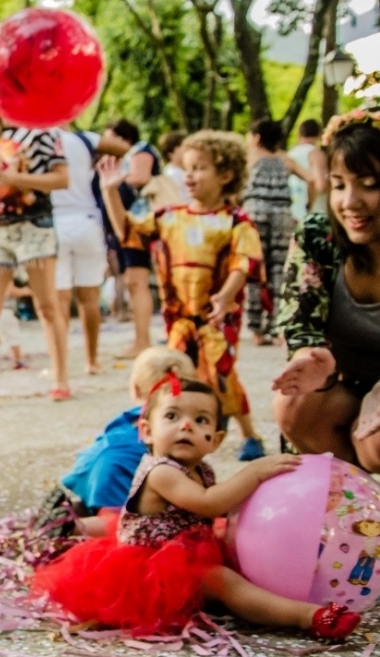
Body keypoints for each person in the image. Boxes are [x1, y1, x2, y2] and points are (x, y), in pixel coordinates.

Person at [33, 377, 362, 641]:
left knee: (128, 522)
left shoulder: (199, 468)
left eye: (200, 419)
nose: (186, 425)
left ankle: (72, 525)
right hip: (153, 567)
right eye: (172, 416)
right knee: (224, 582)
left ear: (215, 440)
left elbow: (215, 508)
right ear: (146, 431)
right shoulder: (162, 472)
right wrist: (255, 472)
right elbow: (210, 502)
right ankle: (308, 616)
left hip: (182, 541)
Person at [99, 131, 268, 462]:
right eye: (187, 168)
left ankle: (250, 434)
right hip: (179, 318)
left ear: (226, 175)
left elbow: (245, 261)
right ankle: (165, 435)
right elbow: (129, 232)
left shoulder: (235, 221)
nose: (189, 176)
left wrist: (225, 296)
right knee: (172, 376)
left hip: (217, 318)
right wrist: (110, 192)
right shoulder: (169, 217)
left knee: (220, 375)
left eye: (200, 168)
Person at [272, 111, 380, 473]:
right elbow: (299, 320)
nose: (350, 202)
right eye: (338, 185)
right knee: (294, 405)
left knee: (377, 441)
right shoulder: (318, 236)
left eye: (369, 184)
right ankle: (357, 502)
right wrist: (310, 356)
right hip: (341, 387)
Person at [0, 120, 71, 407]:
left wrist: (17, 179)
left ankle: (60, 379)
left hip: (35, 225)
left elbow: (61, 179)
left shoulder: (45, 133)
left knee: (46, 305)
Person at [35, 346, 197, 538]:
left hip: (93, 469)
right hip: (116, 480)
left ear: (135, 389)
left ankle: (73, 511)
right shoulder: (175, 428)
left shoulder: (134, 416)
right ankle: (72, 527)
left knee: (105, 506)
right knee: (131, 527)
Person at [242, 118, 311, 346]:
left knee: (254, 269)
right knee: (280, 269)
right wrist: (308, 205)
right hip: (282, 214)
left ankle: (256, 329)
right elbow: (312, 179)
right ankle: (278, 326)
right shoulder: (285, 159)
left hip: (254, 214)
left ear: (257, 137)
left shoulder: (250, 158)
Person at [51, 128, 108, 375]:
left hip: (55, 220)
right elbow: (127, 150)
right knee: (90, 297)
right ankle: (91, 360)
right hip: (87, 218)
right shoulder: (86, 139)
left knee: (59, 299)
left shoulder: (39, 140)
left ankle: (60, 364)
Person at [103, 119, 160, 359]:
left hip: (140, 223)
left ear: (122, 137)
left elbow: (140, 177)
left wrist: (116, 180)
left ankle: (142, 341)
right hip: (132, 224)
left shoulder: (141, 151)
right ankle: (140, 339)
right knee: (133, 281)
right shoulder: (136, 152)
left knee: (137, 281)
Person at [288, 118, 329, 221]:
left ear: (299, 134)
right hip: (314, 214)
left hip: (292, 213)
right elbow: (321, 185)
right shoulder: (316, 154)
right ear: (319, 134)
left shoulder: (289, 155)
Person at [158, 130, 190, 204]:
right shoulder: (171, 174)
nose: (187, 150)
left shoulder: (182, 171)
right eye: (183, 146)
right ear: (170, 153)